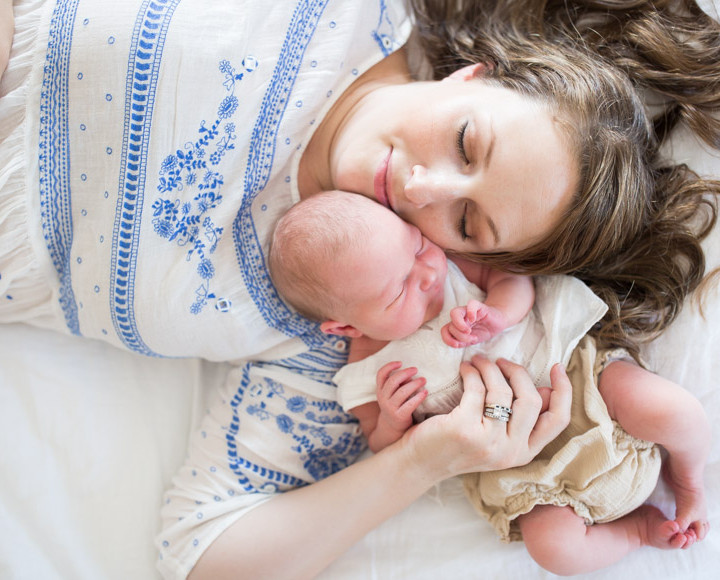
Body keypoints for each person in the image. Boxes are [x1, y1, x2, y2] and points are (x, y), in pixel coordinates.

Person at [1, 0, 719, 578]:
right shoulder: (350, 14)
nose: (420, 185)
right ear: (469, 77)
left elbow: (202, 554)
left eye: (465, 221)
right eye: (466, 142)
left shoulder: (343, 327)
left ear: (478, 259)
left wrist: (424, 458)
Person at [269, 190, 710, 575]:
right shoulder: (365, 376)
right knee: (555, 552)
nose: (426, 272)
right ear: (344, 328)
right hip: (527, 470)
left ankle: (688, 481)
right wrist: (391, 418)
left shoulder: (456, 271)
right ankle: (637, 533)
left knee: (676, 412)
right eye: (401, 288)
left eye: (418, 245)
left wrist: (499, 313)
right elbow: (384, 448)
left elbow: (513, 279)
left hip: (577, 379)